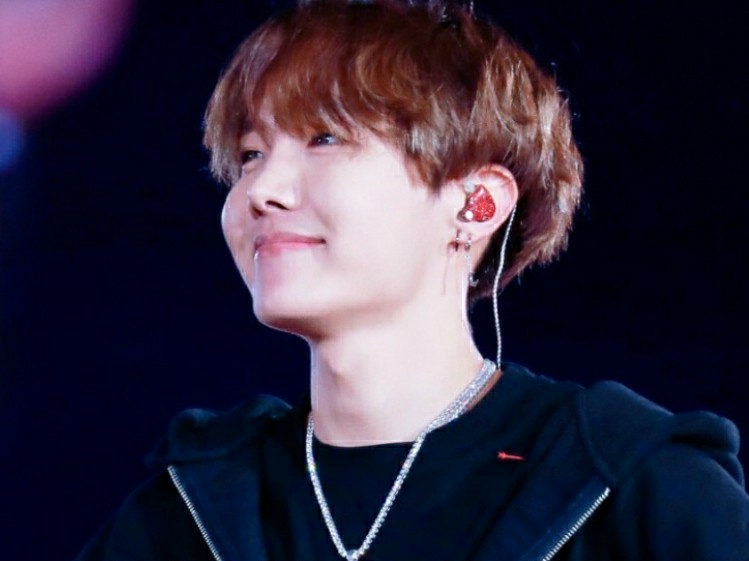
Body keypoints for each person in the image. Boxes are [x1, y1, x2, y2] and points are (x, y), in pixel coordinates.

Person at [74, 0, 749, 559]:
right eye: (250, 155)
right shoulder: (191, 508)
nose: (262, 190)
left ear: (475, 203)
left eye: (325, 139)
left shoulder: (629, 485)